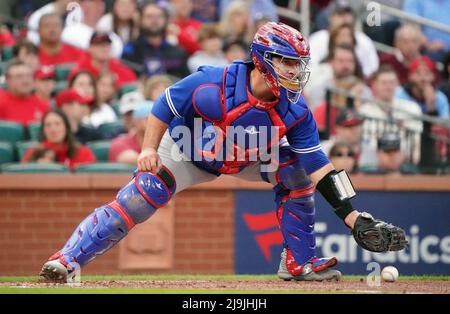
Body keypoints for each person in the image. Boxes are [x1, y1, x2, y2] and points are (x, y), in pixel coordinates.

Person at [40, 22, 407, 283]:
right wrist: (148, 148)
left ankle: (300, 261)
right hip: (187, 151)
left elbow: (320, 168)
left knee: (295, 170)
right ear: (264, 60)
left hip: (247, 156)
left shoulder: (296, 109)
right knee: (145, 192)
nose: (297, 72)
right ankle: (68, 260)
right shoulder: (212, 83)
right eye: (288, 63)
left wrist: (353, 216)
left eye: (299, 64)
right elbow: (163, 105)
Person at [122, 1, 190, 78]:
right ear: (140, 20)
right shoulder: (131, 49)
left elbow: (186, 80)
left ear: (166, 20)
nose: (155, 20)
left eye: (159, 16)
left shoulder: (178, 52)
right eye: (149, 16)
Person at [21, 109, 96, 170]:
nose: (53, 129)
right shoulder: (32, 152)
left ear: (66, 128)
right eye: (48, 125)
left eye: (57, 124)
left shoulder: (83, 153)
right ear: (43, 130)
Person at [68, 32, 137, 88]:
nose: (104, 48)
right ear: (90, 48)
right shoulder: (80, 70)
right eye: (99, 45)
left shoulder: (122, 69)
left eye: (107, 44)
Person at [0, 59, 50, 125]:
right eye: (19, 76)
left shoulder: (42, 105)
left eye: (28, 75)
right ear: (8, 80)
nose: (25, 81)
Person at [109, 100, 153, 165]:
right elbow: (129, 158)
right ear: (136, 121)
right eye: (147, 118)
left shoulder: (165, 143)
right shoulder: (120, 142)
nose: (153, 123)